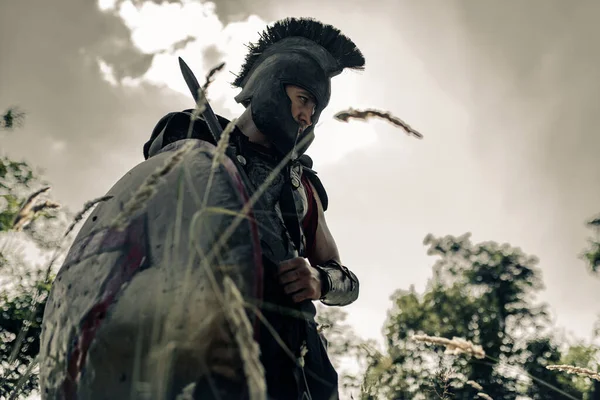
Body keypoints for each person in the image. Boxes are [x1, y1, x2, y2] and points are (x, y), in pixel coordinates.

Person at [142, 17, 365, 399]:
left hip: (294, 360)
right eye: (304, 99)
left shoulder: (302, 185)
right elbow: (145, 222)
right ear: (271, 83)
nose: (307, 117)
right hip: (200, 343)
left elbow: (345, 280)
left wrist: (319, 279)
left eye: (315, 110)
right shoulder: (191, 135)